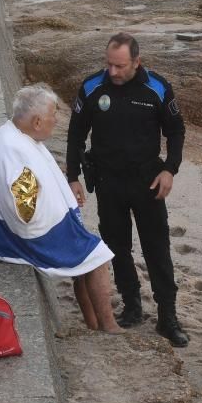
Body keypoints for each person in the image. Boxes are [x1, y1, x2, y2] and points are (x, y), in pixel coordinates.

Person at [65, 32, 189, 347]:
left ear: (137, 62)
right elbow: (76, 133)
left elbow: (176, 130)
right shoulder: (93, 86)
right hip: (107, 181)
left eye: (120, 66)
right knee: (117, 247)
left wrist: (169, 170)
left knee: (157, 249)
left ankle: (167, 316)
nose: (113, 72)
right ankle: (132, 306)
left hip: (148, 181)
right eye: (109, 64)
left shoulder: (156, 88)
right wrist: (73, 176)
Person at [0, 84, 123, 333]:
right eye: (52, 116)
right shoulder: (14, 151)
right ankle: (109, 325)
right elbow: (25, 211)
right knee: (98, 256)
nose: (55, 120)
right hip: (25, 238)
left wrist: (62, 192)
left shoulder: (11, 135)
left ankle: (92, 323)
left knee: (86, 251)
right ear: (36, 122)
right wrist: (55, 204)